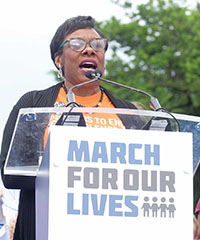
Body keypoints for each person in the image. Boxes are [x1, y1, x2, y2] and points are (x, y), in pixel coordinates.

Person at [0, 16, 143, 240]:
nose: (89, 50)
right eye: (77, 44)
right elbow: (11, 174)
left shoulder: (129, 115)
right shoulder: (34, 106)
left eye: (97, 45)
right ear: (59, 60)